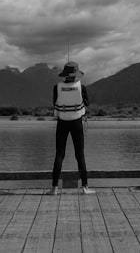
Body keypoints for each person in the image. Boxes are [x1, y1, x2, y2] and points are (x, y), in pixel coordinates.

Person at [50, 61, 94, 195]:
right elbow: (87, 103)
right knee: (79, 154)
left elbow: (54, 103)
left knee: (59, 154)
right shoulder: (82, 87)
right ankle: (85, 187)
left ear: (64, 74)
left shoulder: (56, 87)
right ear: (76, 74)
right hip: (76, 122)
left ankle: (54, 188)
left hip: (62, 122)